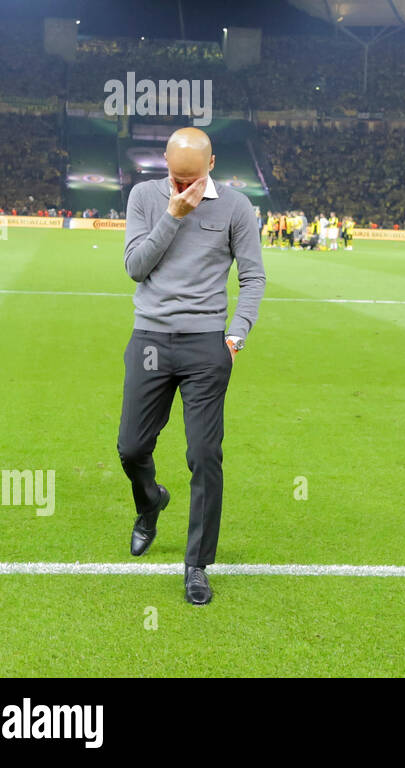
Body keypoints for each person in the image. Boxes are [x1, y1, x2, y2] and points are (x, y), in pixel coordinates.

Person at [116, 127, 266, 606]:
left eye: (192, 179)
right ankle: (150, 501)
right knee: (131, 446)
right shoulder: (145, 196)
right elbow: (136, 266)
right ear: (164, 161)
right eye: (175, 178)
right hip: (150, 338)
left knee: (204, 456)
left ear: (212, 165)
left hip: (206, 344)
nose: (182, 188)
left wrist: (235, 336)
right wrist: (173, 216)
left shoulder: (237, 208)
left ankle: (196, 565)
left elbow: (253, 276)